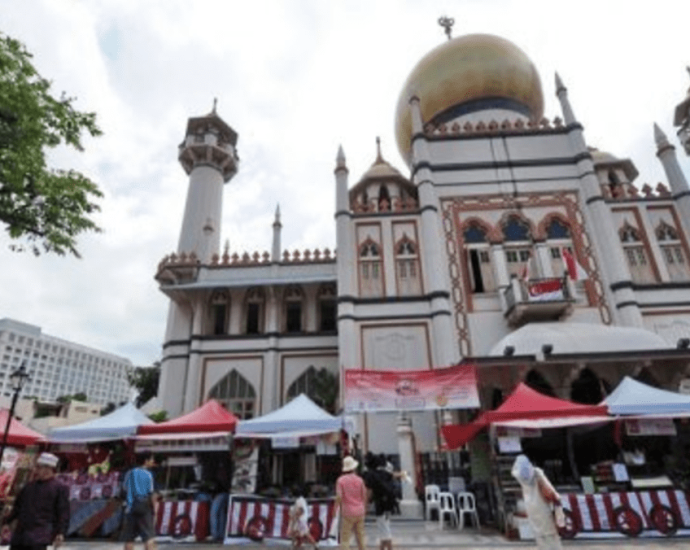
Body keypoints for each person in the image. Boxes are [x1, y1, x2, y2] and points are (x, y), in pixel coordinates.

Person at [4, 452, 69, 550]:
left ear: (48, 469)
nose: (36, 471)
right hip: (20, 536)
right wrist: (7, 522)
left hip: (40, 536)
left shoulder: (59, 488)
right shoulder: (28, 487)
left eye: (39, 468)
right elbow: (17, 508)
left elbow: (63, 512)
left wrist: (61, 532)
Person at [511, 454, 564, 550]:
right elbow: (548, 487)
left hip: (531, 508)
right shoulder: (537, 472)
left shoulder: (519, 476)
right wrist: (556, 497)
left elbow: (514, 470)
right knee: (552, 535)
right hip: (543, 505)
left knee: (539, 536)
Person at [121, 452, 158, 550]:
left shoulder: (129, 473)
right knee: (149, 537)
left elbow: (124, 488)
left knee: (129, 538)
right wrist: (155, 510)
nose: (152, 462)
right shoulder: (149, 474)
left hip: (130, 506)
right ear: (146, 461)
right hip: (144, 506)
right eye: (151, 459)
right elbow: (151, 492)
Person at [363, 454, 399, 550]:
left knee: (384, 529)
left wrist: (366, 505)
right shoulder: (384, 473)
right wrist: (404, 474)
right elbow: (394, 475)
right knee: (384, 526)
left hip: (380, 503)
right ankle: (382, 548)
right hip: (388, 503)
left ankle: (390, 548)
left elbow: (369, 492)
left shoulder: (371, 475)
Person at [335, 455, 367, 550]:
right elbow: (364, 495)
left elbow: (339, 497)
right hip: (360, 511)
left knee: (345, 538)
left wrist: (335, 509)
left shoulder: (341, 480)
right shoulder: (360, 480)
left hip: (348, 512)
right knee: (361, 537)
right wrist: (364, 508)